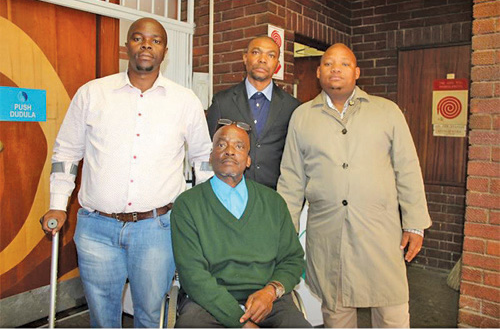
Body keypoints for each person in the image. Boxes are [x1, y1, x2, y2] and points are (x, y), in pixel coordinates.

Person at [39, 18, 212, 328]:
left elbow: (202, 161)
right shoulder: (92, 93)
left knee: (149, 317)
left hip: (157, 230)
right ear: (126, 46)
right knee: (103, 320)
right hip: (96, 230)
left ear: (165, 50)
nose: (146, 44)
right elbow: (66, 152)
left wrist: (204, 215)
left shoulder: (185, 101)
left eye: (155, 40)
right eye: (138, 38)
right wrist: (57, 202)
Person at [277, 43, 432, 328]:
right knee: (336, 312)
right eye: (328, 63)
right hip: (328, 232)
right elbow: (291, 179)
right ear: (318, 72)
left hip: (380, 232)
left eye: (344, 64)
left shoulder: (387, 112)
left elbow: (407, 168)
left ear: (357, 72)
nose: (336, 68)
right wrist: (285, 234)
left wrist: (414, 224)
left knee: (392, 314)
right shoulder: (302, 117)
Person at [171, 122, 311, 328]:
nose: (229, 151)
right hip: (208, 303)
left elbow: (292, 259)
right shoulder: (188, 204)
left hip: (267, 299)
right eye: (221, 145)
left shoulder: (273, 202)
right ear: (210, 158)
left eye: (238, 146)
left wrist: (270, 292)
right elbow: (193, 275)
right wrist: (241, 323)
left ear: (248, 160)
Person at [206, 36, 300, 190]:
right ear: (245, 58)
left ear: (277, 64)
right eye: (256, 52)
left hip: (275, 197)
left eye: (271, 55)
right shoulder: (222, 102)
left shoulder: (292, 106)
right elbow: (208, 150)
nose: (263, 60)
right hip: (230, 194)